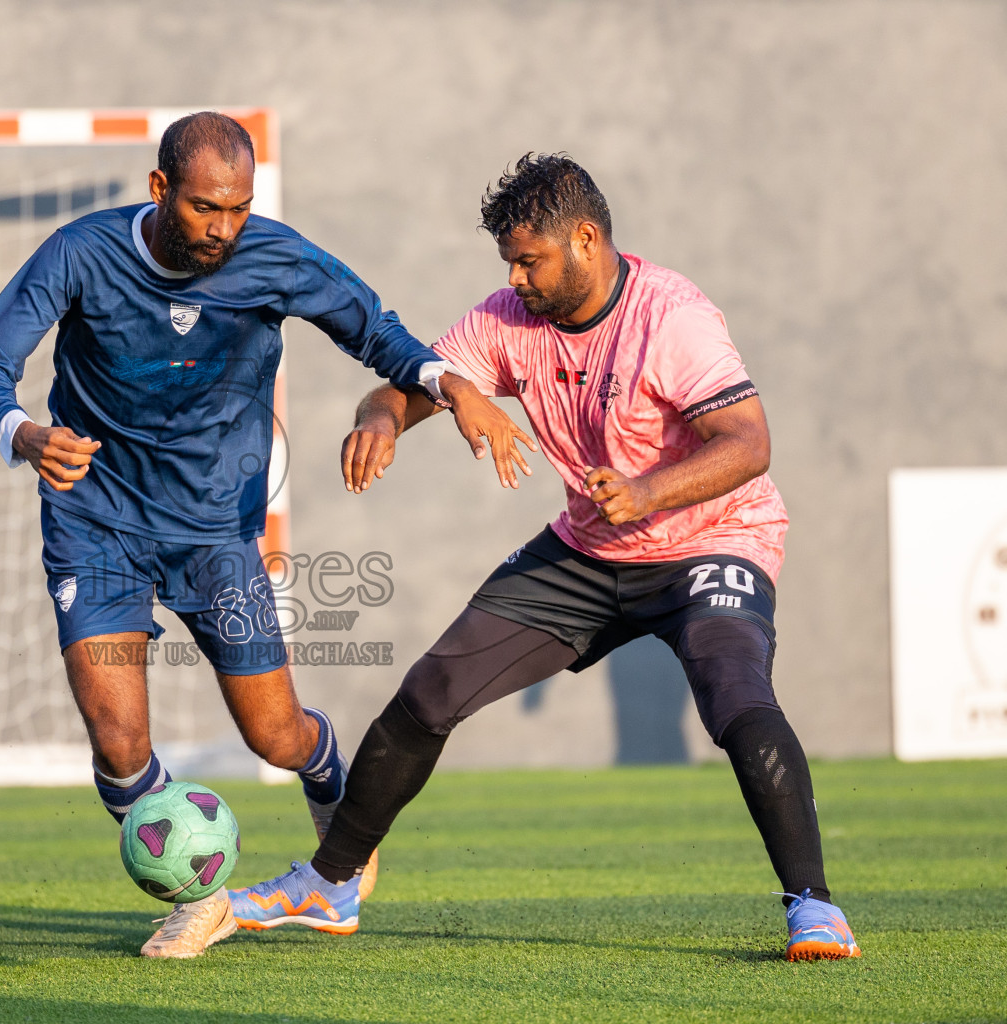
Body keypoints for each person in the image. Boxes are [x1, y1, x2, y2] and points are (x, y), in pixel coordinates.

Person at [228, 153, 861, 962]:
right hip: (589, 550)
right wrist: (381, 419)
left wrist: (649, 491)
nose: (518, 279)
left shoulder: (671, 316)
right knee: (431, 691)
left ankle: (814, 907)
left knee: (732, 688)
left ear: (587, 240)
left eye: (530, 260)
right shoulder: (505, 321)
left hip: (711, 539)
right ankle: (330, 884)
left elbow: (749, 444)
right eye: (510, 264)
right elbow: (406, 385)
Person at [0, 112, 489, 958]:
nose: (224, 229)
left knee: (274, 737)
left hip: (214, 532)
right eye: (207, 209)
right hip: (96, 521)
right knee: (119, 739)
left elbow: (374, 330)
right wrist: (24, 433)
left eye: (238, 209)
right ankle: (200, 892)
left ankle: (330, 790)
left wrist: (440, 381)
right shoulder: (79, 253)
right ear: (160, 189)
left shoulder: (273, 256)